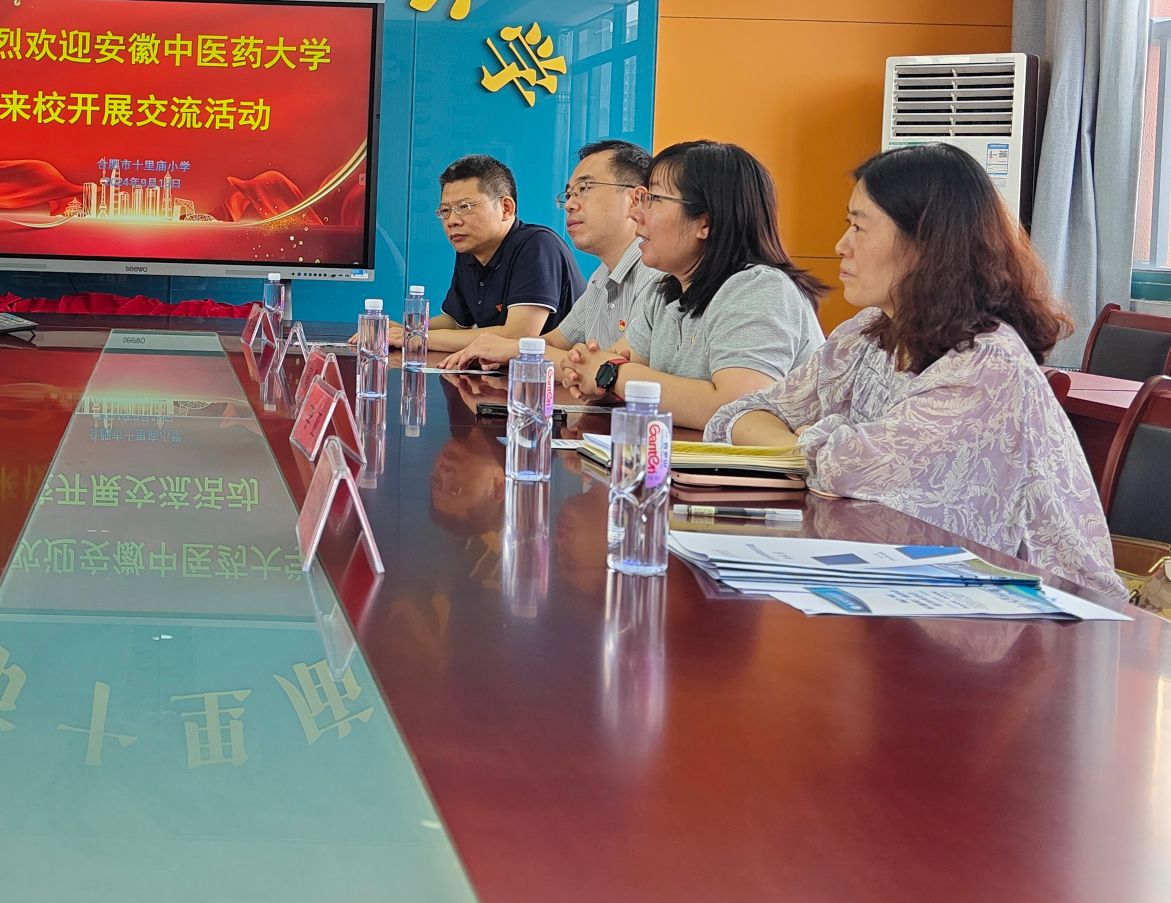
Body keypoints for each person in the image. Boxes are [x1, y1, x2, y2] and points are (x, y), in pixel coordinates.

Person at [708, 143, 1125, 597]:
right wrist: (809, 442)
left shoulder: (987, 362)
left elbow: (845, 467)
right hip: (923, 584)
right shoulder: (868, 332)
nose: (840, 246)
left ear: (926, 243)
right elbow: (740, 414)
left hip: (1040, 607)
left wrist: (813, 438)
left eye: (858, 227)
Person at [557, 140, 824, 428]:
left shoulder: (760, 288)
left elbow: (737, 408)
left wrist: (612, 376)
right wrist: (591, 375)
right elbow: (614, 365)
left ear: (705, 223)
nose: (636, 214)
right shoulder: (664, 293)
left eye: (653, 199)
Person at [439, 139, 663, 370]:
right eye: (569, 194)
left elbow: (612, 370)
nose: (569, 205)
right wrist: (500, 348)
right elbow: (554, 342)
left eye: (584, 189)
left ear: (636, 199)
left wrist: (513, 348)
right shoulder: (601, 278)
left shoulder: (657, 276)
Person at [400, 154, 582, 356]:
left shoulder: (537, 245)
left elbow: (518, 335)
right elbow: (456, 322)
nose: (452, 221)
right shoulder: (470, 250)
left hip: (555, 373)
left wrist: (419, 337)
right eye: (445, 211)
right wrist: (405, 330)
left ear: (506, 208)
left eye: (464, 207)